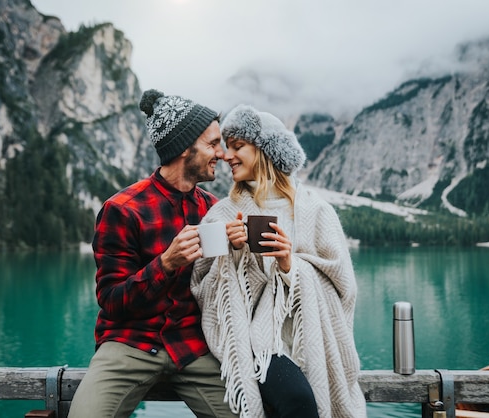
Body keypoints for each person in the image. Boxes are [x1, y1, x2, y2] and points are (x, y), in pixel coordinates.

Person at [68, 89, 237, 418]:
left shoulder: (213, 209)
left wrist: (240, 250)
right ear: (185, 148)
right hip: (130, 343)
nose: (222, 153)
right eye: (213, 143)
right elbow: (111, 300)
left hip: (194, 345)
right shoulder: (122, 210)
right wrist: (166, 264)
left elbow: (222, 289)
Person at [191, 105, 367, 418]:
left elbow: (344, 287)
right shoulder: (222, 214)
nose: (226, 156)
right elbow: (201, 288)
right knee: (298, 399)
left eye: (238, 147)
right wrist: (233, 255)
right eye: (225, 147)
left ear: (266, 151)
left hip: (313, 338)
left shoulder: (316, 210)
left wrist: (290, 266)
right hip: (258, 343)